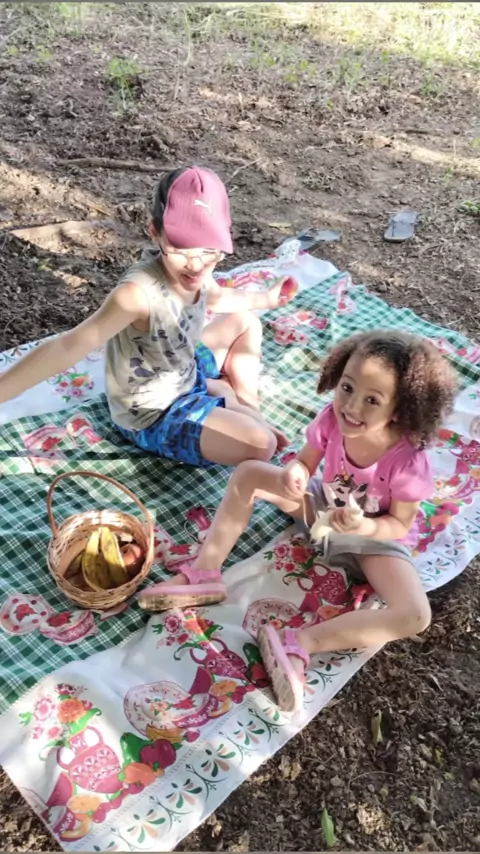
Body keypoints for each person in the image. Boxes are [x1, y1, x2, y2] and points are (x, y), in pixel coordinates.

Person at [139, 330, 457, 712]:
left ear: (400, 410)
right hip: (322, 509)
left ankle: (299, 643)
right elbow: (305, 462)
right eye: (347, 388)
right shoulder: (332, 419)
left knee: (415, 615)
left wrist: (363, 527)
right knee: (250, 473)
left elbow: (399, 526)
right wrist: (297, 472)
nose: (351, 406)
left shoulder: (407, 460)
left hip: (373, 541)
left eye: (372, 400)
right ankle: (205, 572)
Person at [0, 166, 294, 467]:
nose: (195, 264)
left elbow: (217, 298)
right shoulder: (138, 294)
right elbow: (66, 348)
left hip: (184, 368)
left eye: (209, 250)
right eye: (180, 248)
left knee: (245, 321)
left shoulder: (199, 269)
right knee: (262, 445)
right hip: (155, 413)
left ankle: (244, 404)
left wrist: (266, 298)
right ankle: (227, 400)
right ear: (155, 232)